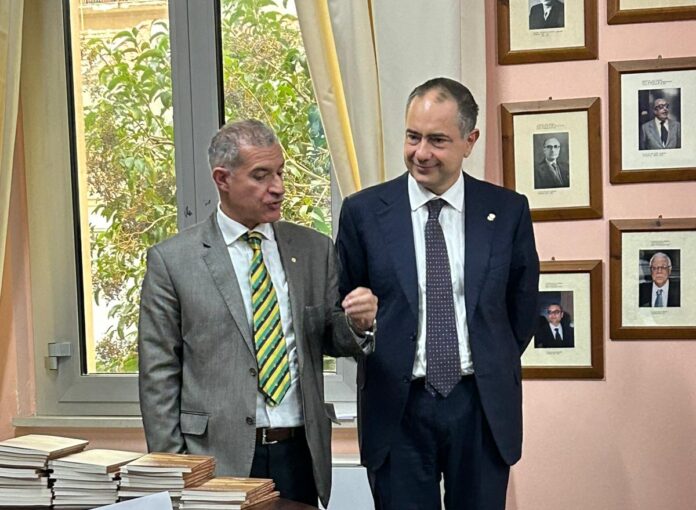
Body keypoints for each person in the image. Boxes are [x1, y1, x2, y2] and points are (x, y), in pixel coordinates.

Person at [138, 119, 378, 508]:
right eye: (261, 175)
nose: (278, 187)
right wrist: (174, 469)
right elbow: (158, 373)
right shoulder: (173, 261)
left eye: (280, 172)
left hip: (298, 451)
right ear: (222, 179)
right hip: (215, 456)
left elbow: (330, 336)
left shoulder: (314, 249)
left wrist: (357, 324)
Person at [337, 77, 540, 509]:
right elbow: (342, 312)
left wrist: (489, 358)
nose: (421, 152)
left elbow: (520, 313)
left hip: (480, 405)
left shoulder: (507, 211)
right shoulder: (363, 213)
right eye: (413, 137)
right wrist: (360, 323)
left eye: (438, 140)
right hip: (398, 408)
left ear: (470, 141)